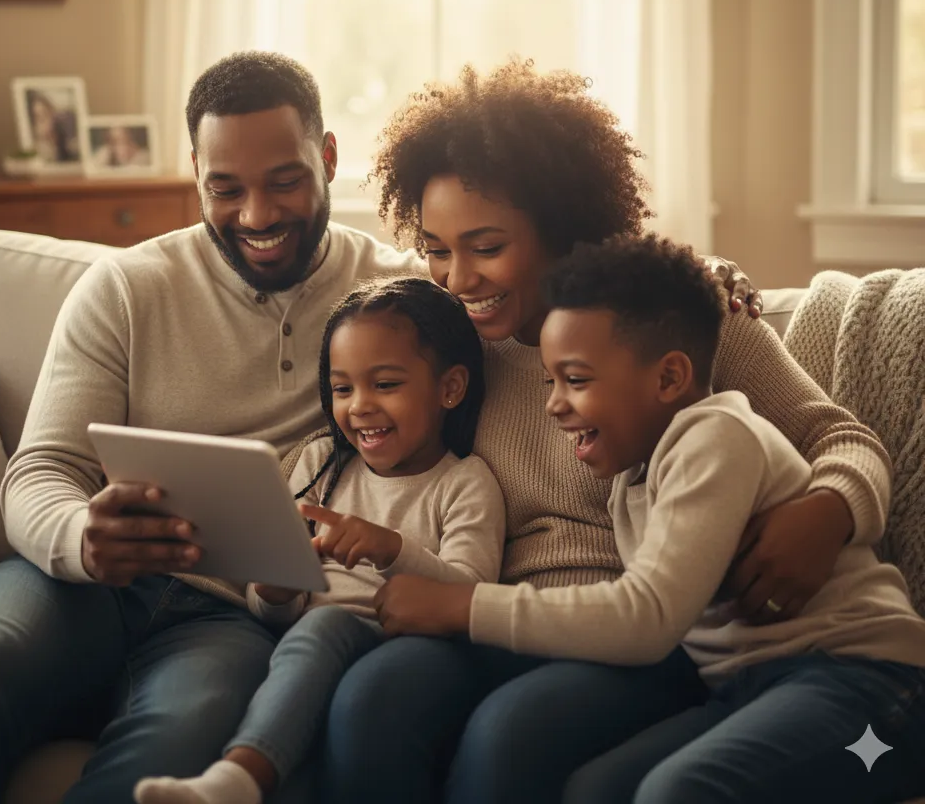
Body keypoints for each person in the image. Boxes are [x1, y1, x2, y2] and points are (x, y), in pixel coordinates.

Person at [324, 60, 894, 804]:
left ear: (561, 229)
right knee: (375, 696)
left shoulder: (671, 323)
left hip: (640, 632)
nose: (457, 277)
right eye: (436, 249)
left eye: (486, 246)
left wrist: (829, 512)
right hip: (498, 613)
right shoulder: (449, 349)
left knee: (511, 734)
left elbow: (842, 438)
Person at [0, 52, 422, 803]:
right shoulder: (126, 287)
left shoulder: (395, 294)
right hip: (77, 586)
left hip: (231, 615)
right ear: (196, 174)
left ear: (329, 157)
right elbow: (40, 467)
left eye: (284, 181)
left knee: (175, 746)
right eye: (225, 189)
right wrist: (82, 534)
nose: (257, 216)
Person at [377, 234, 925, 803]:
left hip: (874, 691)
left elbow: (647, 616)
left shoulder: (716, 438)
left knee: (679, 791)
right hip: (747, 689)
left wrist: (461, 607)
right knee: (596, 790)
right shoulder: (633, 476)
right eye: (550, 381)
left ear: (668, 379)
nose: (554, 404)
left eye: (577, 380)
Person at [134, 276, 505, 804]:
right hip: (310, 648)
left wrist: (390, 550)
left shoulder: (465, 484)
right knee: (317, 627)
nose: (359, 407)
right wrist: (277, 590)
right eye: (342, 388)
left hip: (403, 653)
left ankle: (240, 778)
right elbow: (271, 611)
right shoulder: (319, 466)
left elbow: (470, 597)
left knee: (328, 622)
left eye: (386, 384)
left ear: (450, 388)